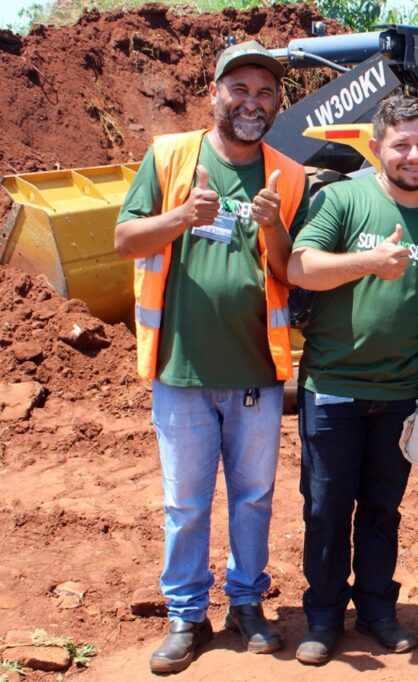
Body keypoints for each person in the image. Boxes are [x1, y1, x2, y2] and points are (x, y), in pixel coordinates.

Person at [113, 41, 310, 674]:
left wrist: (275, 224)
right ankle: (185, 617)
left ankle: (248, 606)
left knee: (254, 498)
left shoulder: (290, 172)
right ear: (215, 93)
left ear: (277, 102)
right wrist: (181, 215)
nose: (253, 102)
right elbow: (123, 239)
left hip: (256, 369)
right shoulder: (171, 155)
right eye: (240, 90)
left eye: (265, 93)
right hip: (183, 371)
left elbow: (289, 269)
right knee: (186, 503)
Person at [286, 95, 418, 664]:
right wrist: (367, 262)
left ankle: (378, 611)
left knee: (384, 508)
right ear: (375, 147)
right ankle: (322, 617)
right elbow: (299, 266)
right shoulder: (342, 197)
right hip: (332, 386)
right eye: (401, 145)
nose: (414, 155)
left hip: (399, 393)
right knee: (326, 507)